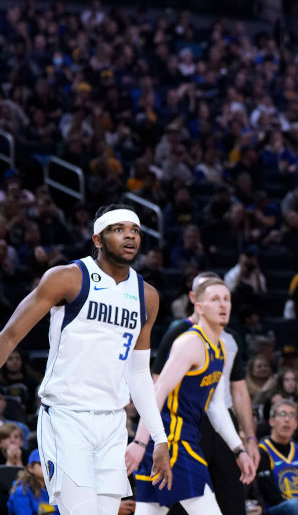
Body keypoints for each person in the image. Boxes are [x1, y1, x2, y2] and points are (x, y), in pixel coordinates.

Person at [0, 205, 173, 515]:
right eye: (118, 229)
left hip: (113, 423)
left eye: (134, 230)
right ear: (97, 239)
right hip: (66, 417)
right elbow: (10, 336)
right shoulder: (68, 278)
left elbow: (138, 374)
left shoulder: (147, 296)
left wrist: (159, 437)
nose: (130, 236)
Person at [129, 277, 257, 514]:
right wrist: (140, 442)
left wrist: (238, 450)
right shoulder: (190, 343)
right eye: (215, 299)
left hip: (181, 439)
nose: (223, 305)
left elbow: (216, 407)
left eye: (226, 299)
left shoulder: (220, 348)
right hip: (171, 442)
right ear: (199, 307)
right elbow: (158, 391)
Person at [255, 399, 298, 515]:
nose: (287, 420)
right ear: (272, 421)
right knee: (295, 505)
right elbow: (269, 493)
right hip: (275, 509)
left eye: (292, 415)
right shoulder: (262, 451)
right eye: (282, 414)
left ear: (296, 424)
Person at [6, 449, 54, 515]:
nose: (46, 467)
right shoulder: (21, 491)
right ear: (30, 468)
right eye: (41, 464)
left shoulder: (54, 490)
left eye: (49, 464)